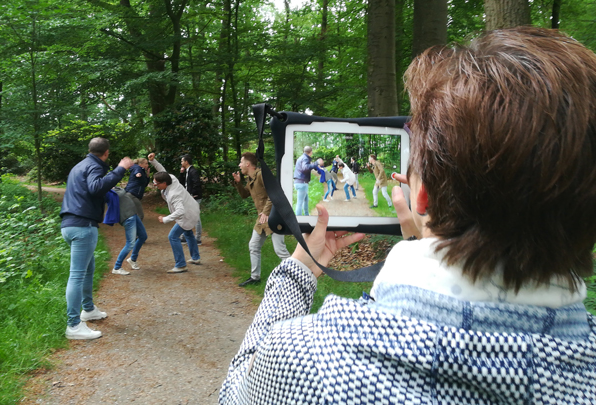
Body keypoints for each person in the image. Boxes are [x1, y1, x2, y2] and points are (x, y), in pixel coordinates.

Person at [220, 27, 596, 404]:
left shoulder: (307, 359)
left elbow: (234, 394)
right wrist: (423, 243)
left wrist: (296, 273)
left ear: (423, 194)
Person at [60, 137, 132, 340]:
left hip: (70, 224)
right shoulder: (94, 166)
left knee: (88, 269)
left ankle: (89, 309)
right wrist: (120, 169)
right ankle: (73, 325)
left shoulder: (79, 166)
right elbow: (95, 187)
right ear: (106, 153)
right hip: (82, 226)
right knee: (77, 275)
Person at [232, 152, 291, 287]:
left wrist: (266, 212)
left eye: (241, 162)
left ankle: (296, 275)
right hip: (262, 220)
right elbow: (244, 195)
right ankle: (255, 277)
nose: (239, 165)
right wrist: (238, 183)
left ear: (248, 164)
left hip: (274, 217)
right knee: (253, 246)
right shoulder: (250, 179)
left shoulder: (262, 175)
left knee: (280, 250)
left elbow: (274, 193)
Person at [150, 154, 201, 273]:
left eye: (156, 183)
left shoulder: (174, 194)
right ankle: (196, 257)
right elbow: (162, 171)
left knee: (173, 236)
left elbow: (180, 211)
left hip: (187, 214)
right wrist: (153, 161)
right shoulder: (170, 178)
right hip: (191, 208)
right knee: (188, 233)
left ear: (164, 183)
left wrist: (166, 219)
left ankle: (181, 265)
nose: (155, 185)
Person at [104, 188, 147, 275]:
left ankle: (132, 259)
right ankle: (117, 267)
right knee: (130, 243)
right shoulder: (108, 192)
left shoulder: (113, 189)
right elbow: (121, 192)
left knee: (143, 236)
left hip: (133, 214)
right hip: (127, 217)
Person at [179, 154, 203, 245]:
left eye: (182, 161)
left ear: (186, 162)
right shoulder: (187, 171)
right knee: (185, 215)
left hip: (194, 197)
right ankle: (184, 236)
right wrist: (181, 173)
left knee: (196, 217)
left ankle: (198, 238)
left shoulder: (193, 171)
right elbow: (182, 183)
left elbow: (197, 183)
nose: (181, 163)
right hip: (188, 197)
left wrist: (193, 194)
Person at [293, 146, 320, 216]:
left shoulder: (301, 157)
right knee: (300, 203)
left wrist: (313, 165)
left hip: (298, 182)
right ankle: (298, 219)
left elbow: (306, 166)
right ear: (310, 152)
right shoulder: (305, 158)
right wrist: (316, 163)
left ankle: (306, 215)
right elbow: (305, 168)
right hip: (302, 183)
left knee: (306, 200)